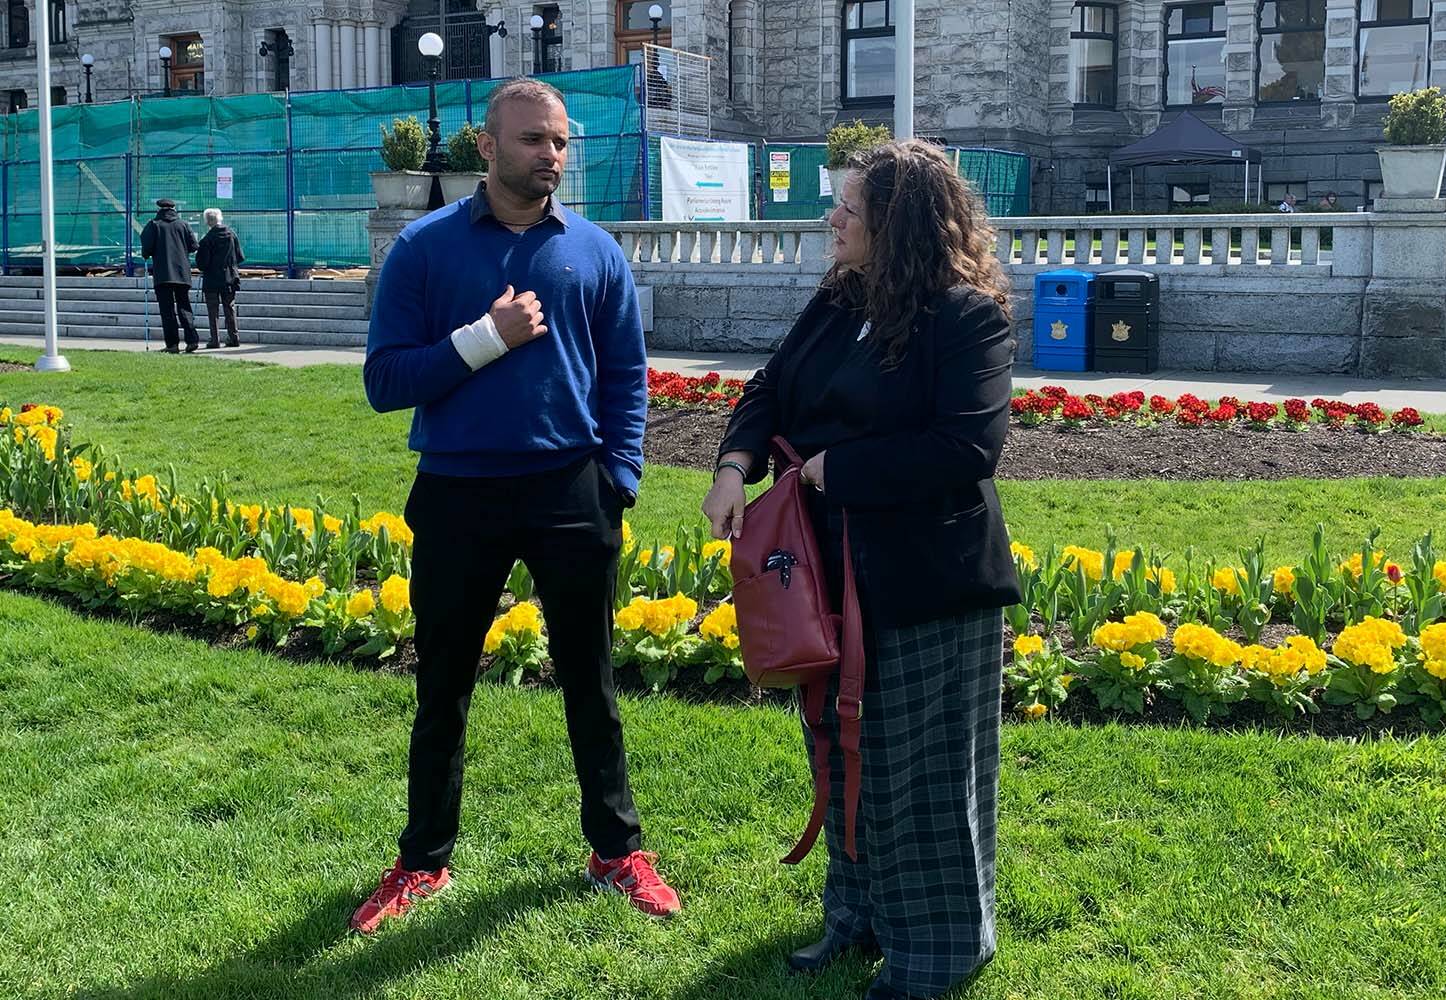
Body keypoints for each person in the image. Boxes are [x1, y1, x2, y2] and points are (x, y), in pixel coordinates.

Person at [354, 77, 679, 935]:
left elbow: (626, 378)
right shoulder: (424, 250)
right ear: (487, 147)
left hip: (571, 488)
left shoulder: (595, 252)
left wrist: (621, 478)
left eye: (562, 141)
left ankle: (617, 849)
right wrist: (483, 340)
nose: (552, 155)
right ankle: (423, 861)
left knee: (591, 681)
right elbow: (384, 382)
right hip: (458, 489)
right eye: (534, 139)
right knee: (445, 685)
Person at [704, 140, 1021, 1000]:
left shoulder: (966, 316)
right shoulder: (841, 299)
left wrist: (831, 471)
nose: (831, 219)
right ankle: (858, 915)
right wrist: (735, 465)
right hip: (826, 567)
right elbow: (769, 387)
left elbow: (965, 447)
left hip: (928, 579)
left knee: (920, 767)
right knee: (844, 751)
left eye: (849, 207)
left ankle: (942, 948)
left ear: (899, 225)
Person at [139, 198, 199, 353]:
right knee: (185, 307)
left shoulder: (153, 225)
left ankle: (172, 344)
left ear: (159, 209)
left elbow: (146, 248)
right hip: (182, 273)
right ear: (174, 208)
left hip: (163, 274)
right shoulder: (183, 224)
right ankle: (192, 340)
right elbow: (193, 246)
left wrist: (147, 254)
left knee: (167, 311)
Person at [194, 208, 245, 349]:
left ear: (207, 222)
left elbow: (201, 263)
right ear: (220, 218)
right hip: (229, 277)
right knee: (230, 308)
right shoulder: (231, 234)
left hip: (212, 278)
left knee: (213, 310)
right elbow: (240, 256)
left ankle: (215, 339)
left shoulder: (206, 239)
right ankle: (234, 337)